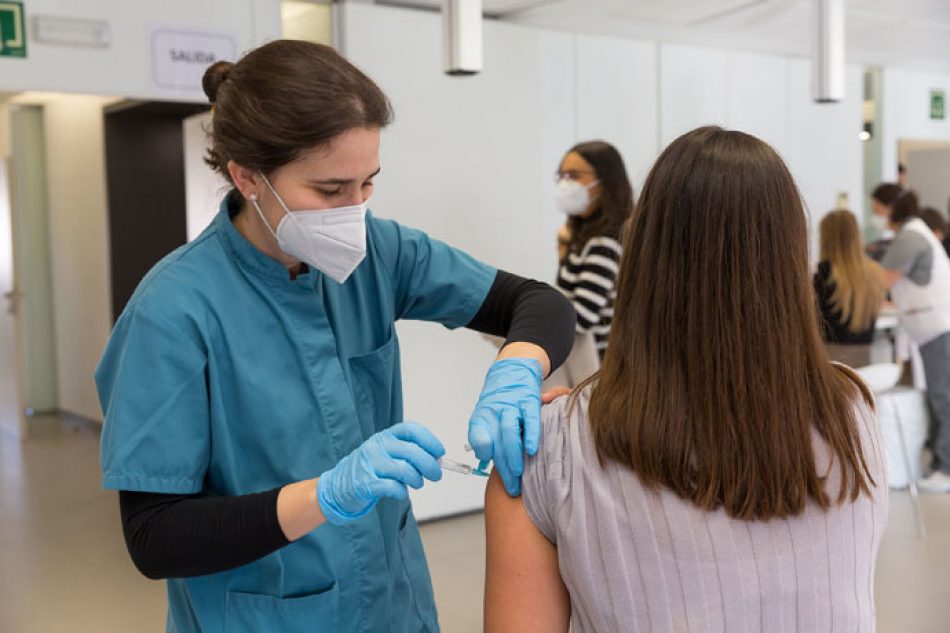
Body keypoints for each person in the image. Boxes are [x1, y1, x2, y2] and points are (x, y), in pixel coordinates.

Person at [96, 40, 576, 633]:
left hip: (393, 609)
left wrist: (518, 368)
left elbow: (535, 302)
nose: (354, 210)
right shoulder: (172, 311)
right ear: (248, 176)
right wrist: (322, 497)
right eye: (329, 190)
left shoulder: (382, 254)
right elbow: (156, 537)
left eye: (367, 183)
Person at [484, 127, 887, 633]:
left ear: (643, 256)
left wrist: (554, 427)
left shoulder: (544, 450)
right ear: (792, 259)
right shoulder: (854, 412)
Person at [873, 189, 950, 493]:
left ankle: (946, 467)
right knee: (941, 395)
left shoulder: (909, 238)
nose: (877, 214)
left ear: (890, 208)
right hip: (934, 324)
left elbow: (881, 282)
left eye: (877, 208)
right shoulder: (916, 232)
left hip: (938, 326)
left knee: (943, 397)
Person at [554, 141, 633, 360]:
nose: (564, 183)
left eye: (574, 175)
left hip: (596, 366)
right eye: (561, 176)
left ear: (604, 180)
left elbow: (580, 318)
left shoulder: (605, 242)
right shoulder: (583, 238)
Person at [813, 209, 886, 368]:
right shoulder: (874, 274)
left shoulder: (824, 275)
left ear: (826, 238)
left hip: (831, 364)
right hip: (864, 365)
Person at [866, 182, 902, 261]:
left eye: (876, 210)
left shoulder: (908, 238)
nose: (875, 217)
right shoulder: (898, 236)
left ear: (891, 208)